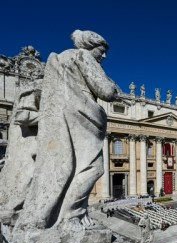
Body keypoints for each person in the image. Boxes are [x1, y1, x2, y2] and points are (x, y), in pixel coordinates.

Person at [15, 30, 119, 231]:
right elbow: (106, 91)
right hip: (83, 117)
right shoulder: (82, 56)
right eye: (102, 50)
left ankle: (59, 215)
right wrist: (113, 86)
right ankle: (72, 216)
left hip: (64, 117)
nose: (104, 56)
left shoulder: (60, 59)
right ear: (90, 46)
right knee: (93, 168)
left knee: (66, 166)